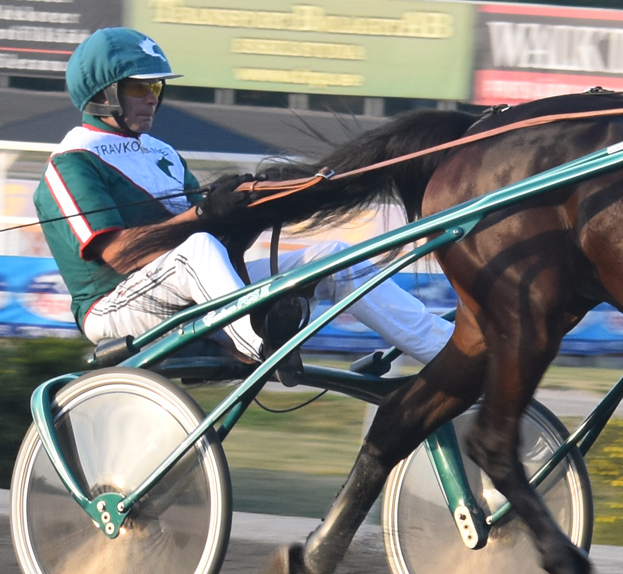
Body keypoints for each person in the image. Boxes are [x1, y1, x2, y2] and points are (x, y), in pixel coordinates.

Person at [33, 26, 452, 364]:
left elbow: (213, 240)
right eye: (139, 89)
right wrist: (203, 215)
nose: (152, 100)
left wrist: (243, 210)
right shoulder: (73, 161)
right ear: (104, 94)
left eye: (156, 89)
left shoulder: (162, 154)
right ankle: (259, 346)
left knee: (332, 256)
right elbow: (123, 257)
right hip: (113, 308)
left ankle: (447, 349)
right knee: (196, 249)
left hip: (188, 289)